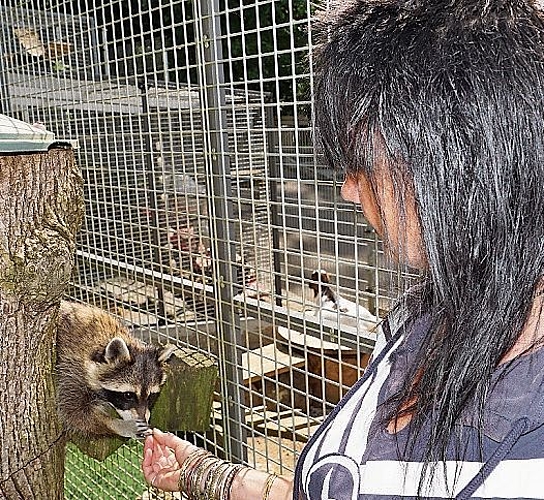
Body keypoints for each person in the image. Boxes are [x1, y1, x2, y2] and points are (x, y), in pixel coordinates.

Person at [142, 0, 544, 498]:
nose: (348, 190)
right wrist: (203, 473)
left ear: (456, 163)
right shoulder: (419, 321)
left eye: (361, 164)